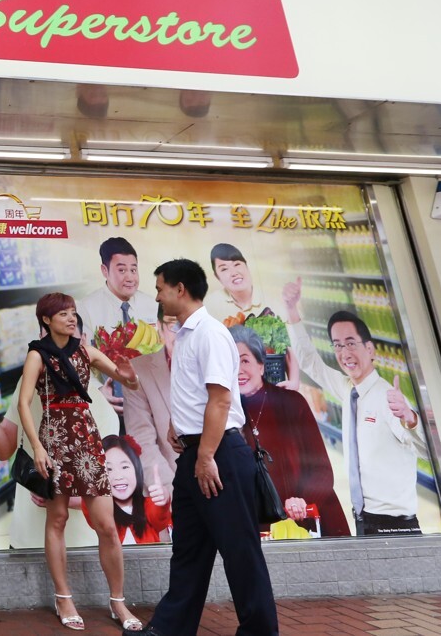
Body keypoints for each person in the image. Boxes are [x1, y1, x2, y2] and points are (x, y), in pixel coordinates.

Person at [137, 259, 277, 636]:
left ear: (180, 289)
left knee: (240, 553)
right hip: (194, 455)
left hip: (218, 457)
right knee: (188, 552)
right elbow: (195, 394)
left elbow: (219, 401)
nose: (157, 295)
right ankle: (168, 630)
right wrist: (174, 424)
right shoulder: (184, 335)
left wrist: (205, 458)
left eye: (160, 287)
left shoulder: (211, 333)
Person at [17, 292, 142, 632]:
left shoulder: (86, 351)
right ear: (46, 320)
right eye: (63, 314)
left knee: (106, 524)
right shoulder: (37, 354)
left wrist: (130, 374)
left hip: (87, 437)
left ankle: (118, 601)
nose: (71, 318)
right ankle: (63, 597)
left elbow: (127, 378)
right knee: (56, 518)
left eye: (73, 313)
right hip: (54, 438)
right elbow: (23, 404)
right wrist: (38, 448)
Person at [283, 278, 427, 536]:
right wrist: (292, 310)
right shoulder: (348, 387)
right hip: (363, 519)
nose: (344, 352)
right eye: (337, 345)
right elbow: (309, 361)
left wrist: (410, 418)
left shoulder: (388, 398)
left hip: (395, 524)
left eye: (351, 343)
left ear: (370, 349)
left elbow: (426, 451)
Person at [230, 325, 350, 537]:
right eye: (230, 361)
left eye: (245, 360)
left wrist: (302, 499)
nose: (238, 369)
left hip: (309, 519)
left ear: (261, 365)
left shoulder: (291, 402)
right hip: (261, 531)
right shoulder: (226, 412)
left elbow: (322, 470)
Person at [76, 237, 158, 419]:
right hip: (109, 405)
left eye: (133, 269)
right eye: (122, 270)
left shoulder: (153, 305)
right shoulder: (86, 308)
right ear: (105, 271)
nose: (130, 277)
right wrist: (97, 391)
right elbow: (78, 358)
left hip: (149, 404)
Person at [208, 243, 299, 390]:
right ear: (217, 277)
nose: (233, 272)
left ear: (246, 266)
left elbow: (287, 348)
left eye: (237, 264)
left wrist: (294, 382)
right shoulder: (212, 305)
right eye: (224, 269)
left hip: (273, 382)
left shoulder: (272, 301)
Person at [124, 306, 180, 499]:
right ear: (160, 328)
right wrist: (173, 490)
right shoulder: (139, 370)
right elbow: (142, 440)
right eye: (174, 326)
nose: (182, 333)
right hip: (171, 490)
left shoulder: (213, 362)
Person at [80, 435, 171, 545]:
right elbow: (91, 509)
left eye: (124, 467)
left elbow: (160, 515)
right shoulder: (103, 511)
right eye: (109, 469)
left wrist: (164, 498)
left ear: (137, 470)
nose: (118, 476)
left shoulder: (147, 505)